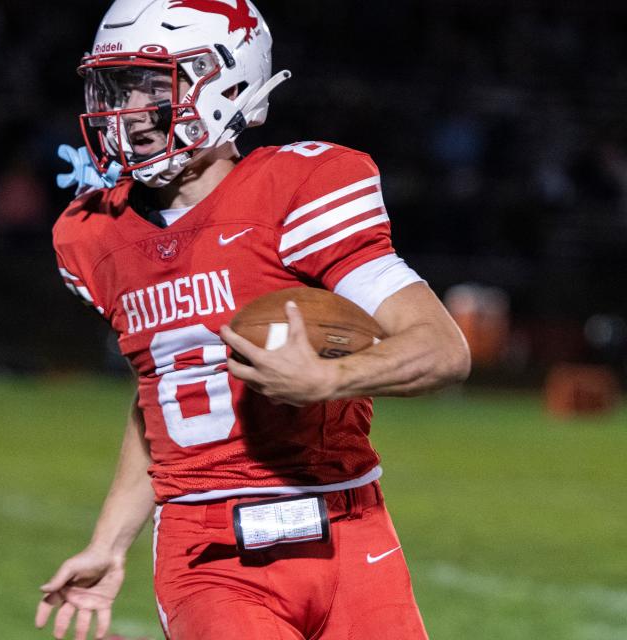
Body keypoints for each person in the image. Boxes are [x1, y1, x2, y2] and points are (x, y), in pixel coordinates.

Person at [38, 1, 471, 639]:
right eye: (118, 85)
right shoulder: (94, 234)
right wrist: (109, 542)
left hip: (349, 528)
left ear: (230, 82)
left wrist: (331, 379)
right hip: (207, 553)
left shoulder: (299, 191)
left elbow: (443, 349)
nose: (128, 108)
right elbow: (160, 393)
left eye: (154, 84)